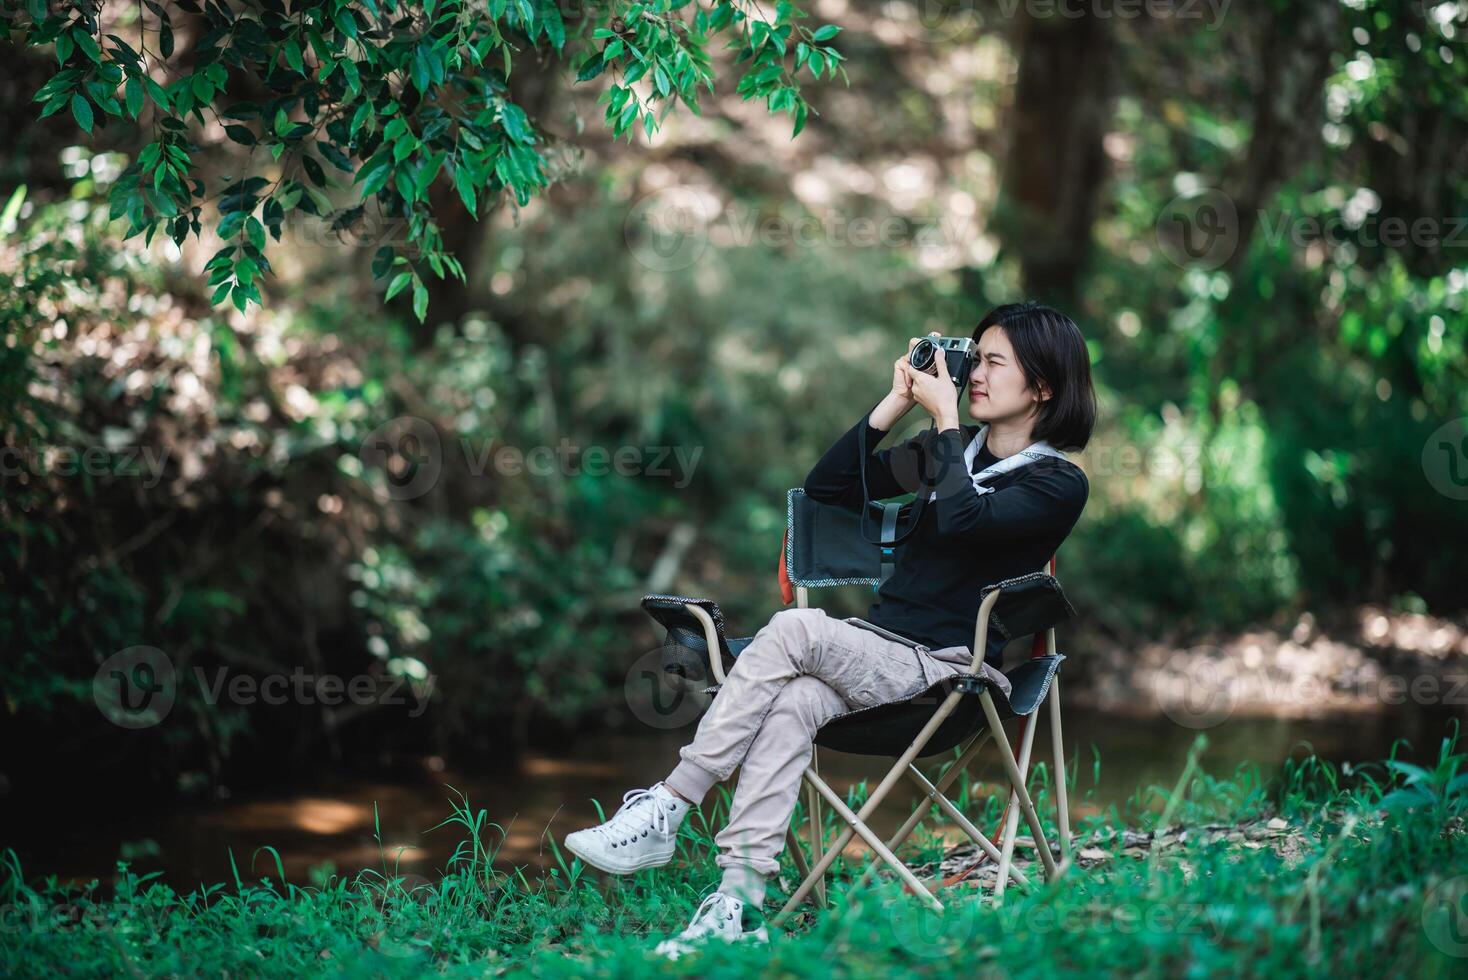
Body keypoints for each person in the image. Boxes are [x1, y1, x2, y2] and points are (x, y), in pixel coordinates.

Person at [563, 302, 1098, 957]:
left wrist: (948, 419)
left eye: (993, 362)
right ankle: (739, 902)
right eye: (975, 358)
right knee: (791, 701)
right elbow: (829, 486)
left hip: (952, 673)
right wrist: (896, 402)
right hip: (881, 657)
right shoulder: (943, 452)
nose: (973, 374)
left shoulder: (1056, 483)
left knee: (793, 630)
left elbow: (966, 521)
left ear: (1042, 387)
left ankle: (670, 805)